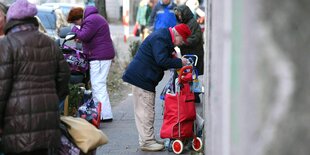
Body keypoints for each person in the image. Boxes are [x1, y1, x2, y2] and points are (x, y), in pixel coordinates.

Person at [0, 0, 71, 154]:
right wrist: (52, 100)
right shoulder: (50, 43)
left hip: (17, 123)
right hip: (48, 121)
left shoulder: (6, 45)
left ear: (11, 20)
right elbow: (64, 78)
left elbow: (1, 89)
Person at [122, 23, 191, 151]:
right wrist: (179, 62)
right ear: (177, 34)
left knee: (143, 110)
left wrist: (173, 57)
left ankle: (147, 139)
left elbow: (161, 56)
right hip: (142, 79)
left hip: (141, 77)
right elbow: (161, 60)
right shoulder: (162, 38)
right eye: (181, 40)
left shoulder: (163, 36)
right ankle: (147, 142)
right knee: (146, 111)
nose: (180, 44)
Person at [67, 6, 115, 121]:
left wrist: (74, 30)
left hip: (99, 57)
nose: (76, 24)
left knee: (98, 85)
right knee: (99, 84)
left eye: (75, 22)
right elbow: (88, 36)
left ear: (79, 18)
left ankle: (104, 114)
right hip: (102, 55)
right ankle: (102, 113)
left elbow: (84, 35)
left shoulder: (90, 20)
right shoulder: (95, 18)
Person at [174, 5, 204, 103]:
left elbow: (196, 37)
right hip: (188, 53)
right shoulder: (185, 23)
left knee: (193, 74)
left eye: (180, 15)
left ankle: (195, 95)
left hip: (195, 53)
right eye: (177, 15)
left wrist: (183, 42)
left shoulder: (193, 23)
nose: (179, 17)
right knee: (189, 74)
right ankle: (191, 94)